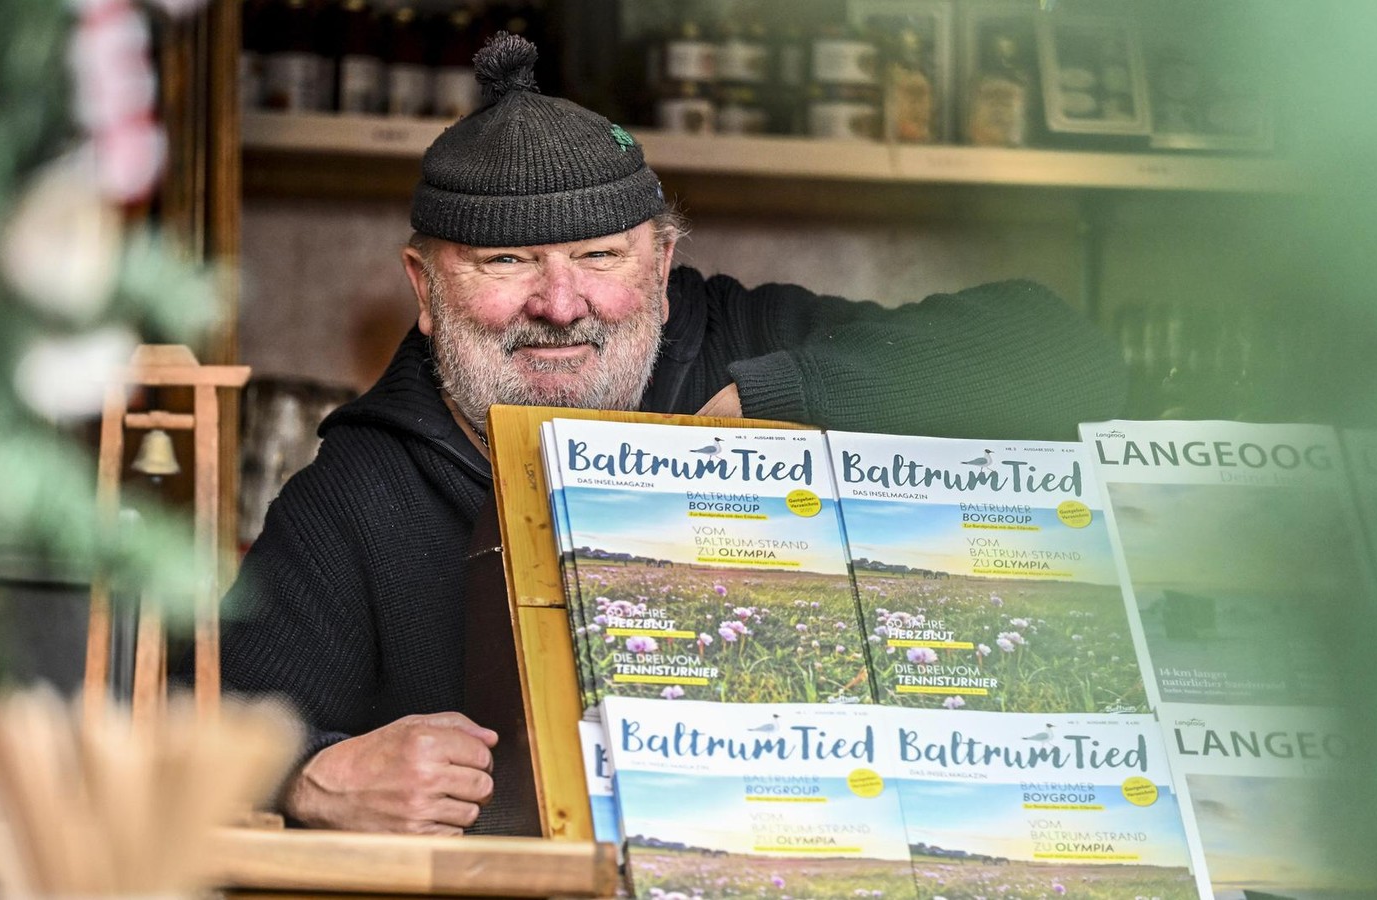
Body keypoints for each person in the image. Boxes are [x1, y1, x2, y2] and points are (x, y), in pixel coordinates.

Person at [215, 34, 1126, 835]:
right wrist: (313, 777)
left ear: (661, 267)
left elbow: (1067, 359)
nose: (560, 305)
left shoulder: (751, 338)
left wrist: (776, 402)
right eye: (507, 261)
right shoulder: (360, 486)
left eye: (601, 256)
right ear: (424, 289)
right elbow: (201, 726)